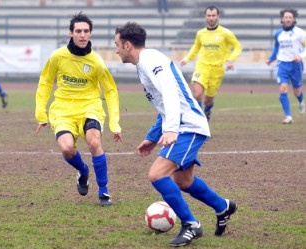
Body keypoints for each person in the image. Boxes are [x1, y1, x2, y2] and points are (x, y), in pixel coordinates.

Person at [115, 22, 237, 247]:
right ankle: (223, 206)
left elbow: (171, 92)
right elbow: (164, 104)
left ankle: (191, 224)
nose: (116, 50)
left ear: (128, 45)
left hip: (188, 126)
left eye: (117, 45)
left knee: (157, 174)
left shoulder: (151, 59)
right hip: (183, 125)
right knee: (183, 180)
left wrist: (171, 128)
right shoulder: (144, 64)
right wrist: (153, 137)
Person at [35, 12, 122, 206]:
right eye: (78, 31)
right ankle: (83, 171)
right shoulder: (58, 56)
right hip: (62, 110)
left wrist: (115, 123)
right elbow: (45, 82)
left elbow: (110, 90)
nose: (82, 35)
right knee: (67, 149)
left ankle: (104, 192)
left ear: (90, 34)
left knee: (93, 142)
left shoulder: (96, 61)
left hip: (90, 107)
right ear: (71, 33)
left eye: (86, 31)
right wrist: (41, 113)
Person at [180, 6, 242, 121]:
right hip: (202, 67)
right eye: (209, 15)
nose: (211, 18)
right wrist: (187, 58)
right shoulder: (200, 33)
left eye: (213, 15)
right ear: (205, 17)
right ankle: (199, 121)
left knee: (208, 100)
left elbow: (238, 47)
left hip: (217, 70)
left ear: (218, 16)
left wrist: (231, 59)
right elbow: (196, 47)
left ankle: (207, 111)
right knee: (197, 94)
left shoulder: (225, 33)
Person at [266, 8, 306, 124]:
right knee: (283, 88)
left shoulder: (300, 33)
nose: (288, 19)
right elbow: (276, 47)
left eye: (290, 17)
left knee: (296, 91)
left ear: (293, 19)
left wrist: (301, 56)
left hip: (295, 65)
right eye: (286, 17)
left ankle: (301, 102)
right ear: (282, 19)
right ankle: (288, 116)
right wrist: (271, 58)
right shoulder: (278, 33)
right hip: (282, 64)